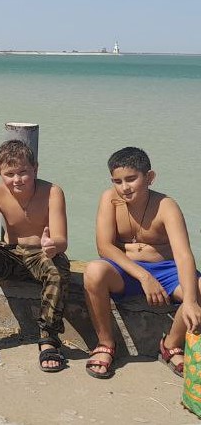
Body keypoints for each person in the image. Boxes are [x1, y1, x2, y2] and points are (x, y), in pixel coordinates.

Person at [83, 147, 201, 379]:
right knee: (94, 270)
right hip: (126, 270)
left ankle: (171, 344)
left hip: (167, 270)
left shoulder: (166, 205)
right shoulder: (110, 199)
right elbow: (104, 247)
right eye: (117, 181)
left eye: (131, 179)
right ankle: (105, 343)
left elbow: (183, 255)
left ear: (149, 177)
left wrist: (189, 300)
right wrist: (144, 276)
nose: (124, 187)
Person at [0, 140, 70, 371]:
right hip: (11, 254)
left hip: (42, 255)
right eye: (9, 174)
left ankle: (49, 337)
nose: (17, 179)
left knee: (58, 269)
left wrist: (52, 245)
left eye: (23, 172)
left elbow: (62, 239)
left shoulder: (52, 192)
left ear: (35, 168)